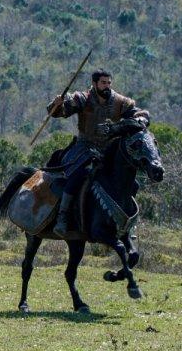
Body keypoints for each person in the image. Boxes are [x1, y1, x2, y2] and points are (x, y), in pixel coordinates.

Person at [46, 68, 150, 235]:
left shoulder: (120, 101)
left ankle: (126, 223)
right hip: (84, 147)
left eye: (109, 82)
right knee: (78, 175)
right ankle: (63, 217)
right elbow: (58, 112)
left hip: (109, 150)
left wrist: (139, 120)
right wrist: (57, 104)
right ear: (94, 84)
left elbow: (140, 114)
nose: (107, 86)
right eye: (103, 83)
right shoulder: (83, 98)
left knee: (132, 183)